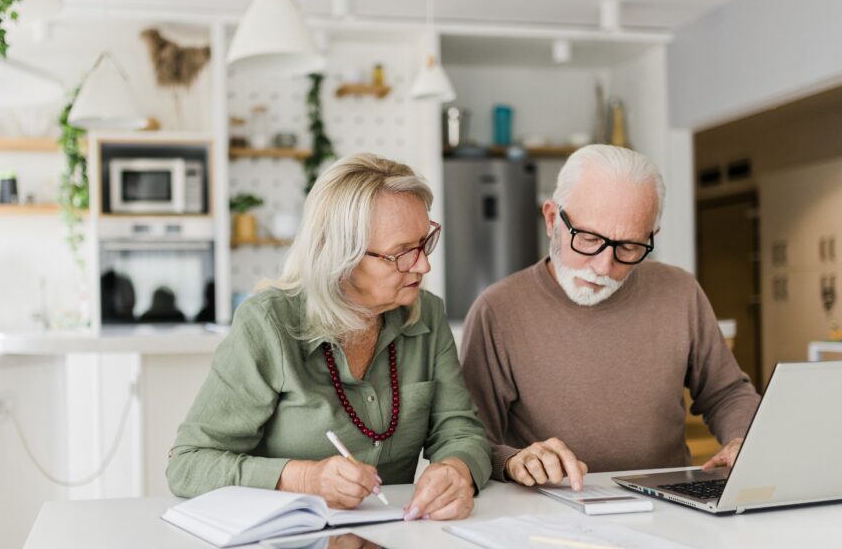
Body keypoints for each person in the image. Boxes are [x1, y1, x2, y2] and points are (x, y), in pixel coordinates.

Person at [168, 154, 492, 521]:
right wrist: (305, 477)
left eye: (424, 242)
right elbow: (189, 465)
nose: (423, 265)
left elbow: (459, 429)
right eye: (401, 253)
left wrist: (456, 470)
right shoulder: (268, 323)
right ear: (341, 257)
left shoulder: (427, 315)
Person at [461, 144, 761, 491]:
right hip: (551, 511)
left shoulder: (680, 292)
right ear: (551, 219)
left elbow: (727, 393)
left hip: (666, 504)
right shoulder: (497, 310)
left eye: (629, 247)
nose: (604, 267)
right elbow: (470, 439)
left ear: (652, 236)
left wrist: (743, 440)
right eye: (588, 239)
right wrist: (514, 461)